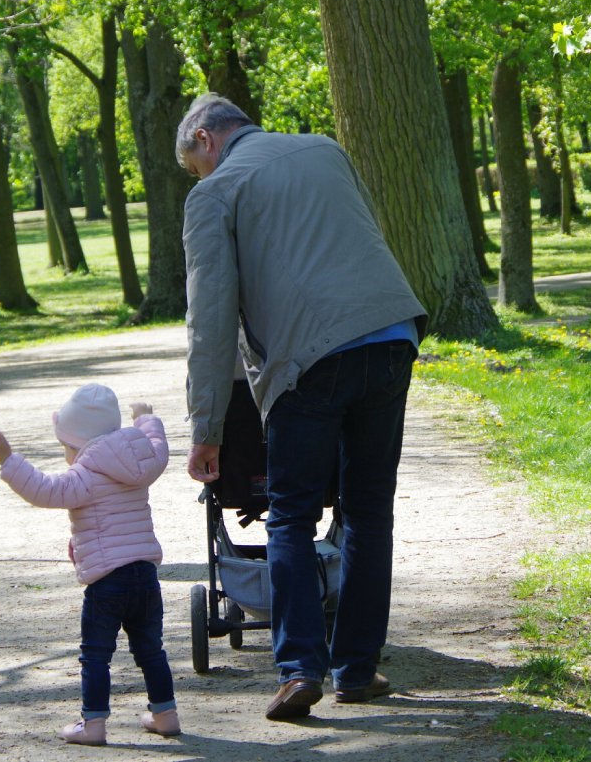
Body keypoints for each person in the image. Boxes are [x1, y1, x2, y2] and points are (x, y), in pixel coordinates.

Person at [178, 94, 427, 721]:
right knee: (368, 510)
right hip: (392, 334)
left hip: (308, 361)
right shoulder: (325, 149)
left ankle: (299, 671)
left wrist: (207, 429)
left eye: (194, 166)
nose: (198, 177)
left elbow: (209, 321)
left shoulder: (214, 193)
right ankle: (358, 670)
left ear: (205, 138)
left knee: (289, 515)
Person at [0, 384, 180, 745]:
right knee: (151, 649)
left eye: (66, 446)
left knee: (96, 655)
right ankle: (165, 715)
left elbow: (43, 489)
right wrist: (145, 417)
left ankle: (93, 724)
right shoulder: (139, 463)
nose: (66, 454)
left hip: (107, 582)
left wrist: (9, 460)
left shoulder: (85, 475)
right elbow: (158, 447)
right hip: (145, 576)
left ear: (78, 444)